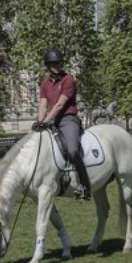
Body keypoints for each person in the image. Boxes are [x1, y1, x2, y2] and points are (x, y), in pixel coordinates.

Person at [35, 50, 91, 199]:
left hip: (68, 119)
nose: (56, 66)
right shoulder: (45, 83)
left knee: (72, 150)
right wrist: (40, 122)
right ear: (48, 65)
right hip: (51, 120)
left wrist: (45, 121)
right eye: (52, 64)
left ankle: (84, 185)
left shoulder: (68, 80)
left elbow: (60, 105)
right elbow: (43, 105)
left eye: (58, 63)